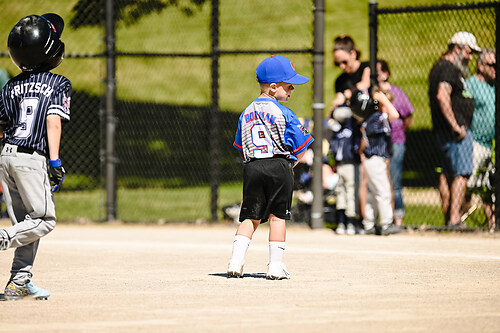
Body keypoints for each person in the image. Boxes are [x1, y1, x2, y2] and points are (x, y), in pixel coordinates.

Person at [0, 13, 71, 300]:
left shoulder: (10, 86)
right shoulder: (57, 83)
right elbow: (53, 121)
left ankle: (19, 281)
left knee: (26, 223)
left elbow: (2, 126)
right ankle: (3, 239)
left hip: (6, 155)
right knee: (43, 220)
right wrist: (54, 160)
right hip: (32, 158)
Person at [228, 55, 313, 280]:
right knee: (277, 217)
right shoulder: (285, 113)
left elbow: (241, 144)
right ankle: (275, 266)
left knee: (250, 217)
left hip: (253, 166)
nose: (293, 89)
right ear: (274, 88)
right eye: (289, 85)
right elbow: (302, 146)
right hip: (279, 165)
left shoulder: (245, 112)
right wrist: (290, 163)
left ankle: (235, 261)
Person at [428, 31, 480, 228]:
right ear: (457, 48)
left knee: (448, 173)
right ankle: (454, 219)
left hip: (445, 131)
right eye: (468, 52)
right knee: (462, 173)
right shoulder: (448, 68)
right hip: (456, 132)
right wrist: (456, 126)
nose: (470, 57)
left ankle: (448, 217)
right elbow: (443, 96)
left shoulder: (440, 67)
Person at [330, 34, 370, 225]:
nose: (342, 67)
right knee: (355, 182)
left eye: (344, 62)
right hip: (351, 136)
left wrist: (347, 94)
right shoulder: (340, 80)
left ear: (353, 53)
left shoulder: (366, 68)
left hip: (371, 129)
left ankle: (373, 219)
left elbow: (366, 85)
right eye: (338, 64)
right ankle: (358, 220)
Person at [356, 88, 404, 235]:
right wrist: (383, 100)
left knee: (373, 192)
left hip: (373, 160)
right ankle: (386, 223)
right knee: (383, 192)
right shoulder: (377, 118)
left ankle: (369, 224)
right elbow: (395, 115)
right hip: (375, 160)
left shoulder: (373, 119)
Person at [376, 60, 414, 226]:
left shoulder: (397, 93)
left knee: (395, 180)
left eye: (378, 72)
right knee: (380, 182)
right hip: (378, 144)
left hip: (396, 141)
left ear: (385, 73)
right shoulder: (373, 94)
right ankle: (384, 218)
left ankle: (398, 218)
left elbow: (408, 115)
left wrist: (399, 132)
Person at [466, 49, 495, 231]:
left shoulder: (494, 85)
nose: (495, 68)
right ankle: (457, 223)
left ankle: (493, 224)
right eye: (491, 65)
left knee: (490, 187)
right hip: (474, 142)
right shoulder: (471, 84)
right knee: (469, 185)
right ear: (480, 65)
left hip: (491, 144)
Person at [329, 106, 362, 235]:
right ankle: (345, 223)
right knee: (343, 193)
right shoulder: (342, 129)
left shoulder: (350, 127)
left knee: (348, 193)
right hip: (342, 165)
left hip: (350, 164)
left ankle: (349, 223)